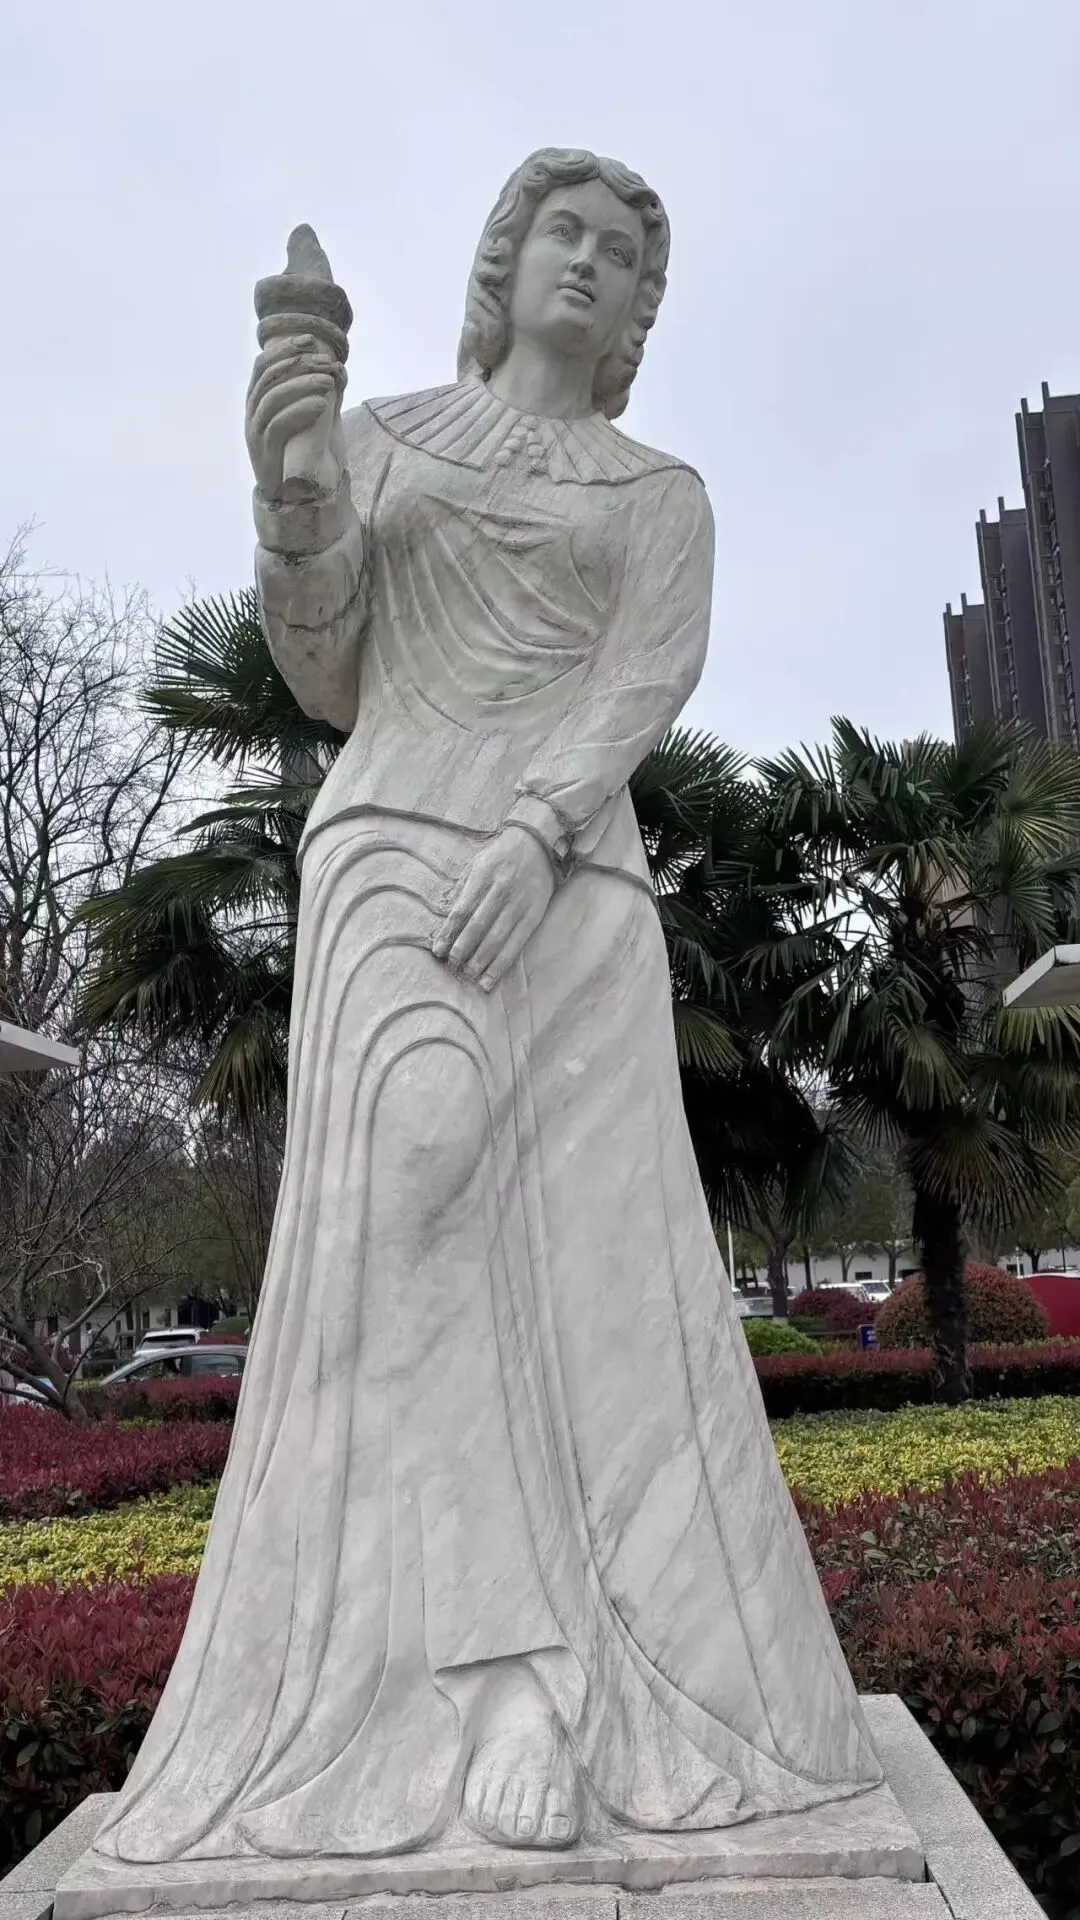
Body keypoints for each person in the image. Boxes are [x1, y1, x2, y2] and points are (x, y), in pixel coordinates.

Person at [93, 148, 881, 1870]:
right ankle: (502, 1673)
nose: (588, 266)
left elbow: (643, 677)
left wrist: (538, 830)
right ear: (504, 262)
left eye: (622, 255)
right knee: (423, 1173)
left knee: (597, 1284)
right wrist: (295, 491)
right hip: (390, 855)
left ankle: (634, 1654)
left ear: (643, 312)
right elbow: (326, 667)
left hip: (573, 892)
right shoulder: (384, 434)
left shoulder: (659, 493)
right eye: (562, 236)